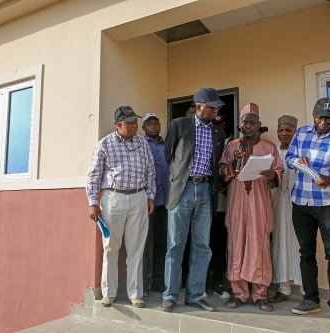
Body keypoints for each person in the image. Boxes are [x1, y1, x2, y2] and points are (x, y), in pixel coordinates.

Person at [160, 88, 226, 313]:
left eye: (217, 106)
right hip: (182, 189)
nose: (216, 109)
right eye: (211, 106)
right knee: (175, 245)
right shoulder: (179, 125)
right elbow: (169, 156)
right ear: (199, 106)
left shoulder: (218, 133)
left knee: (202, 246)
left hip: (206, 191)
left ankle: (195, 295)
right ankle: (170, 295)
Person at [285, 97, 330, 326]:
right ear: (313, 115)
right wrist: (297, 161)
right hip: (301, 202)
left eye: (329, 118)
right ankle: (311, 300)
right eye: (321, 117)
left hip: (328, 205)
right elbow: (289, 157)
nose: (324, 122)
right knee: (306, 253)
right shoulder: (301, 133)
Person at [86, 106, 156, 308]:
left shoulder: (143, 144)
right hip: (112, 199)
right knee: (111, 248)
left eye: (136, 122)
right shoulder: (105, 144)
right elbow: (93, 175)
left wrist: (150, 196)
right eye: (131, 123)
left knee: (136, 248)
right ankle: (109, 292)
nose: (135, 126)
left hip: (138, 198)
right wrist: (93, 203)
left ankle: (135, 293)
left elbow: (150, 172)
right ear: (119, 125)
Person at [219, 103, 283, 312]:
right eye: (245, 122)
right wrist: (232, 164)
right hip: (237, 202)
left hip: (259, 202)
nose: (248, 126)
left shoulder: (269, 147)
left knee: (259, 245)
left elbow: (278, 171)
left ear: (259, 125)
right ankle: (239, 293)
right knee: (236, 243)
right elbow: (222, 172)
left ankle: (260, 295)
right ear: (240, 125)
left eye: (252, 122)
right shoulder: (231, 147)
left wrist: (273, 175)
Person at [269, 115, 303, 303]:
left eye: (287, 130)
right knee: (279, 243)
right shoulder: (273, 153)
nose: (283, 134)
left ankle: (307, 290)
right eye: (280, 130)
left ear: (294, 132)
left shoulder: (300, 152)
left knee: (301, 244)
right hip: (276, 204)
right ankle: (283, 288)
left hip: (298, 205)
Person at [141, 113, 169, 296]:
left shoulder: (168, 145)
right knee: (144, 243)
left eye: (156, 123)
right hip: (146, 202)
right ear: (143, 128)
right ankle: (143, 282)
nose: (153, 126)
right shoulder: (140, 145)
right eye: (149, 124)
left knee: (162, 243)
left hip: (166, 202)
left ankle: (159, 281)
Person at [206, 114, 231, 299]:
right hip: (205, 201)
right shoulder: (207, 141)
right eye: (217, 124)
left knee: (220, 243)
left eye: (222, 124)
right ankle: (203, 282)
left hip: (222, 202)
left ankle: (217, 281)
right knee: (202, 243)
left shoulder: (230, 145)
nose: (220, 127)